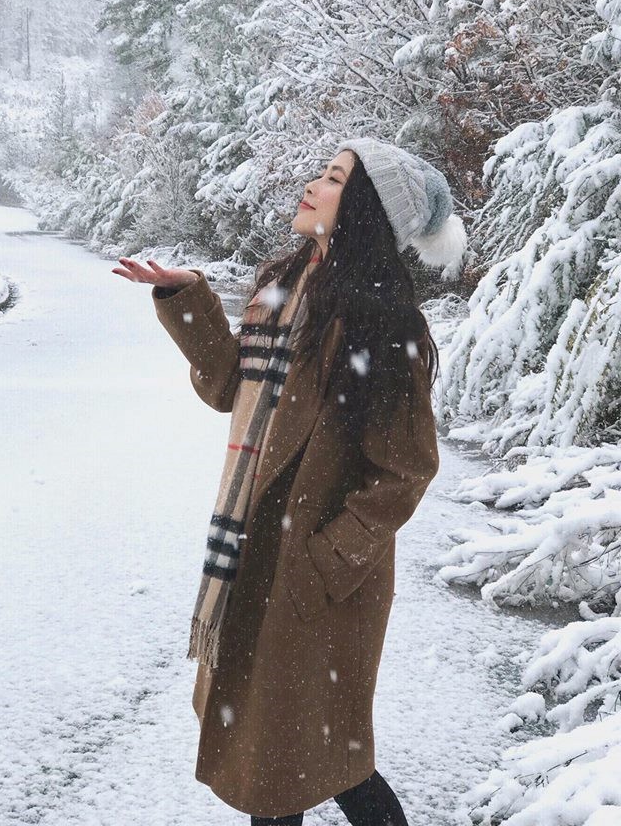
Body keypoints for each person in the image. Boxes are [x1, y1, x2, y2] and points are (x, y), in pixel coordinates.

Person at [112, 138, 467, 823]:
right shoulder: (280, 287)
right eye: (321, 170)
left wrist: (324, 558)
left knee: (300, 757)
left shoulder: (382, 323)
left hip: (314, 581)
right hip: (253, 554)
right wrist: (186, 300)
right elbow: (227, 388)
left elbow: (407, 468)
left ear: (363, 208)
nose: (312, 183)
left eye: (332, 177)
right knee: (291, 754)